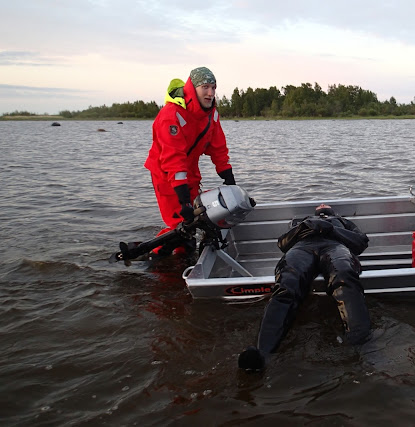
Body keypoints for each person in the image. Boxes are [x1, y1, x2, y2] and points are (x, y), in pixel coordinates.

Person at [238, 204, 372, 371]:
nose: (322, 205)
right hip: (301, 248)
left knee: (344, 276)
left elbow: (360, 242)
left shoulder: (343, 221)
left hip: (335, 247)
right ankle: (262, 353)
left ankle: (360, 346)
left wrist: (331, 229)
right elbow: (283, 244)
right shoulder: (300, 221)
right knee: (288, 282)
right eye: (320, 205)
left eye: (326, 205)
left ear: (332, 211)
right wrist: (303, 227)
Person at [144, 67, 236, 255]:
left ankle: (184, 257)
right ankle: (156, 257)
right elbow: (173, 158)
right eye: (205, 87)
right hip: (166, 175)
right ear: (193, 89)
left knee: (195, 224)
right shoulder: (171, 115)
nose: (210, 93)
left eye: (213, 87)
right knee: (179, 227)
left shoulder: (211, 114)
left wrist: (229, 178)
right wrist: (184, 200)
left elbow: (218, 147)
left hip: (190, 173)